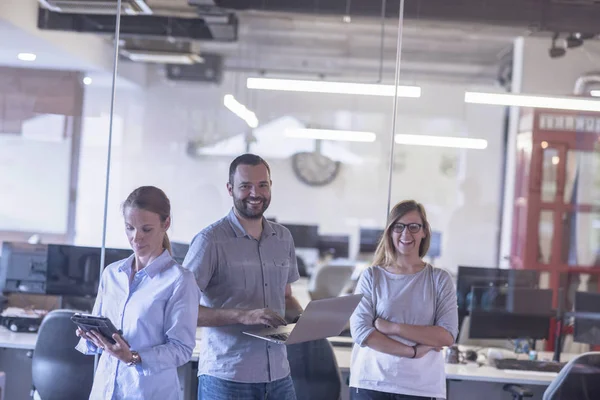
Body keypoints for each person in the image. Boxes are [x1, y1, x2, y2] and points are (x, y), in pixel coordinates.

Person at [183, 153, 303, 400]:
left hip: (279, 376)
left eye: (262, 185)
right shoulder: (209, 241)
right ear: (230, 189)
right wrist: (244, 316)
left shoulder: (283, 238)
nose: (255, 193)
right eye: (245, 186)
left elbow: (286, 297)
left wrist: (306, 319)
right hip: (228, 377)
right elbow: (181, 310)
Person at [75, 186, 200, 400]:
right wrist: (92, 337)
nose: (136, 237)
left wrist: (133, 357)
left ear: (166, 224)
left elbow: (181, 349)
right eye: (129, 228)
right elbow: (102, 341)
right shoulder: (112, 274)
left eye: (146, 229)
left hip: (146, 393)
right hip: (105, 391)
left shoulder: (179, 280)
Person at [349, 200, 458, 400]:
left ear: (424, 231)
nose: (406, 234)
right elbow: (362, 332)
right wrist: (413, 351)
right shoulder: (372, 276)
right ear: (390, 232)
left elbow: (447, 336)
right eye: (398, 227)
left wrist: (393, 328)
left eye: (413, 226)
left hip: (421, 388)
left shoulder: (440, 279)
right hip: (371, 382)